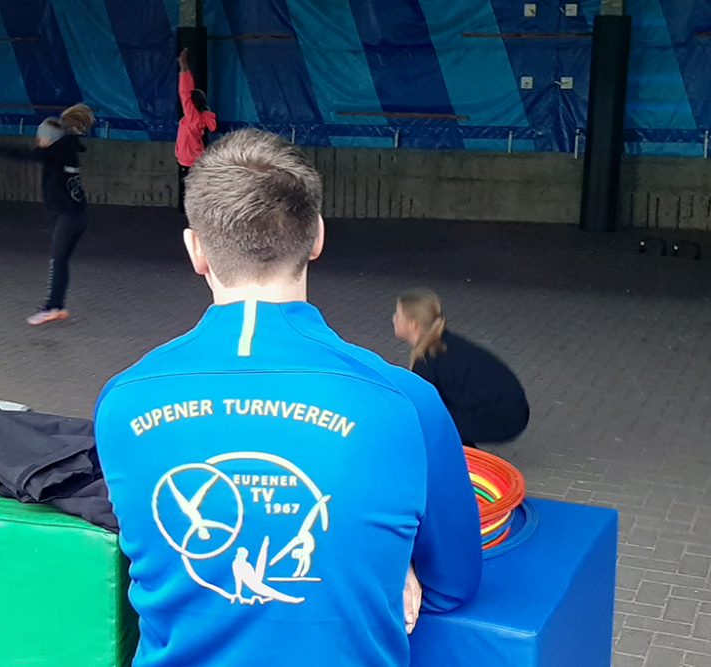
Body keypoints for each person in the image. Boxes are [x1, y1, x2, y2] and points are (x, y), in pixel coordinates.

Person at [94, 129, 481, 666]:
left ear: (196, 250)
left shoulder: (122, 401)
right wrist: (395, 562)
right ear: (317, 236)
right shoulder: (408, 403)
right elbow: (456, 584)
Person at [0, 104, 94, 326]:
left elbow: (24, 154)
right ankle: (56, 306)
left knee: (57, 260)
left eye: (40, 139)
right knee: (61, 260)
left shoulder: (56, 152)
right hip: (75, 215)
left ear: (48, 140)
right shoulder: (65, 150)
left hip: (70, 217)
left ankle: (53, 307)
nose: (38, 143)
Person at [393, 288, 530, 447]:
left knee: (428, 418)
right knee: (437, 412)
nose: (394, 319)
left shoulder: (428, 360)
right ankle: (465, 452)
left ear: (414, 325)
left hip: (505, 418)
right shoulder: (444, 344)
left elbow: (418, 411)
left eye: (398, 315)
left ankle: (464, 461)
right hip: (513, 411)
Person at [175, 48, 216, 213]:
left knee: (194, 190)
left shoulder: (193, 117)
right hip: (191, 159)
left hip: (190, 160)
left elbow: (184, 93)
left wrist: (184, 68)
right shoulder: (196, 118)